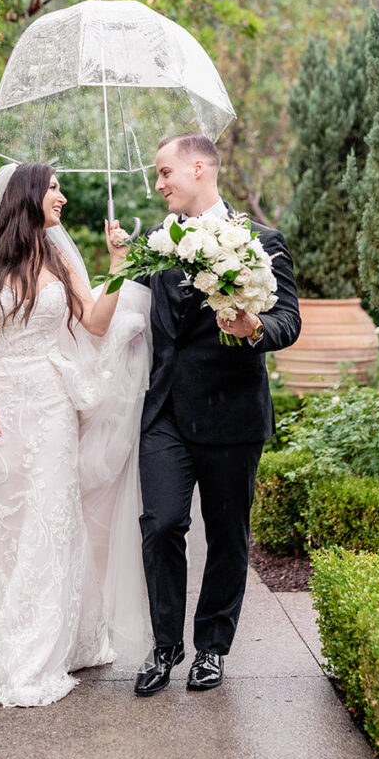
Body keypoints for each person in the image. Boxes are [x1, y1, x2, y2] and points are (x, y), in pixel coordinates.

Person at [0, 161, 151, 708]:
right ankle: (3, 624)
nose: (61, 197)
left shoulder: (59, 259)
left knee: (50, 514)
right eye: (54, 188)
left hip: (52, 402)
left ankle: (30, 649)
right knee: (6, 517)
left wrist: (118, 264)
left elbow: (98, 322)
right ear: (27, 195)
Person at [134, 133, 301, 697]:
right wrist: (116, 261)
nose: (158, 185)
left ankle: (211, 648)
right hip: (165, 414)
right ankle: (164, 646)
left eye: (164, 173)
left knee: (228, 535)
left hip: (232, 415)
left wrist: (253, 328)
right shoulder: (155, 244)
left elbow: (288, 323)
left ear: (198, 167)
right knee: (160, 526)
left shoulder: (264, 241)